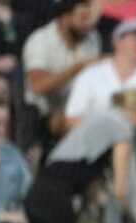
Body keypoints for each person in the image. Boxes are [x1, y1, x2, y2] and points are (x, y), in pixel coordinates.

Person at [25, 89, 136, 223]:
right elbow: (121, 190)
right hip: (55, 201)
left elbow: (92, 186)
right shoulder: (120, 128)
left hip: (36, 195)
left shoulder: (98, 121)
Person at [64, 18, 136, 129]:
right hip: (98, 137)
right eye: (135, 37)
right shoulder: (90, 74)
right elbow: (72, 119)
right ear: (118, 41)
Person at [22, 0, 102, 144]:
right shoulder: (41, 40)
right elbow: (38, 86)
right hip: (45, 112)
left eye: (89, 18)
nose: (88, 24)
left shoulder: (93, 38)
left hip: (82, 107)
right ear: (65, 17)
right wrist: (77, 68)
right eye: (83, 18)